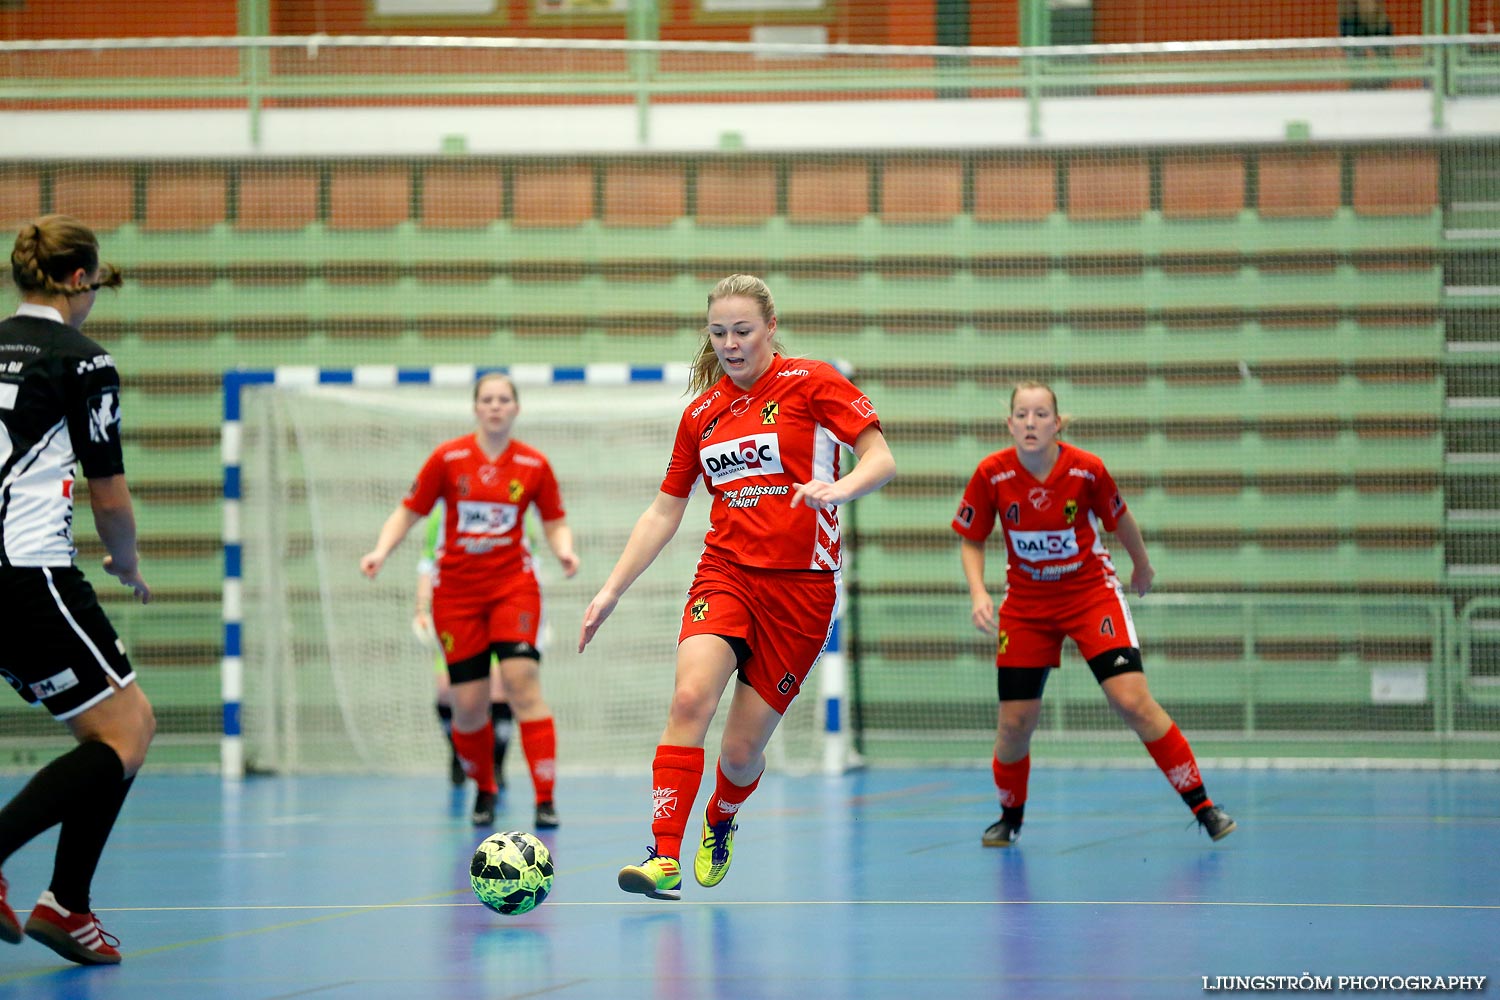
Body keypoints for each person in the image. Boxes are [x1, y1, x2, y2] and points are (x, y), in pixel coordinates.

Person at [579, 274, 896, 900]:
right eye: (718, 332)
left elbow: (881, 458)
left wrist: (841, 487)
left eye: (742, 330)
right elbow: (665, 510)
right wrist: (610, 590)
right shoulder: (701, 414)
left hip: (802, 591)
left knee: (741, 752)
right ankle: (662, 855)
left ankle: (720, 816)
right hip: (725, 575)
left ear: (770, 328)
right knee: (690, 699)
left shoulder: (813, 383)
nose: (730, 343)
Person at [952, 379, 1235, 848]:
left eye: (1041, 414)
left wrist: (1141, 566)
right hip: (1027, 607)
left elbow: (1119, 518)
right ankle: (1010, 817)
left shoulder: (1086, 470)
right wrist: (979, 592)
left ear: (1057, 423)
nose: (1030, 422)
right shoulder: (991, 474)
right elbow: (972, 537)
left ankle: (1204, 807)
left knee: (1132, 702)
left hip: (1090, 596)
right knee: (1014, 724)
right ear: (1009, 423)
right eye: (1022, 414)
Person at [0, 215, 156, 966]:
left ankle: (69, 905)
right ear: (74, 279)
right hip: (28, 573)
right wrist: (125, 564)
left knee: (106, 736)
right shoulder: (81, 361)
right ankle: (61, 897)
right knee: (128, 731)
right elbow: (110, 496)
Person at [360, 372, 578, 828]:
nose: (495, 406)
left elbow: (555, 519)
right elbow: (409, 509)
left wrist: (564, 550)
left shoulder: (534, 465)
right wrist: (381, 550)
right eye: (487, 399)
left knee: (521, 683)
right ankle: (486, 787)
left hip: (513, 588)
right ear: (476, 408)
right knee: (468, 705)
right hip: (456, 596)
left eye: (504, 399)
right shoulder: (448, 458)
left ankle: (545, 798)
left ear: (516, 408)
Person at [413, 504, 512, 789]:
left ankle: (496, 764)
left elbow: (531, 560)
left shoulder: (514, 508)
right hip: (456, 612)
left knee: (499, 688)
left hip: (498, 608)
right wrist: (421, 609)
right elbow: (428, 561)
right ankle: (459, 753)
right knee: (447, 691)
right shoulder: (442, 513)